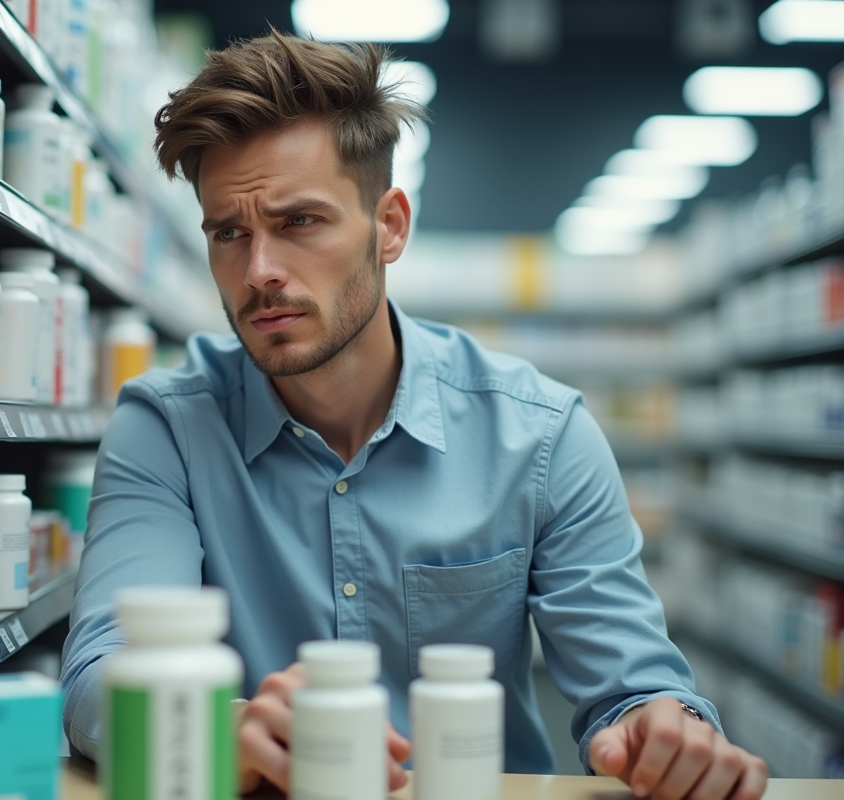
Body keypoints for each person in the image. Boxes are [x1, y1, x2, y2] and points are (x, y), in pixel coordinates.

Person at [60, 30, 769, 800]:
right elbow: (101, 672)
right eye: (229, 233)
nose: (259, 271)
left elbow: (633, 689)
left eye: (300, 222)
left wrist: (663, 733)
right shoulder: (167, 428)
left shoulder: (540, 433)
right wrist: (214, 730)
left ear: (389, 225)